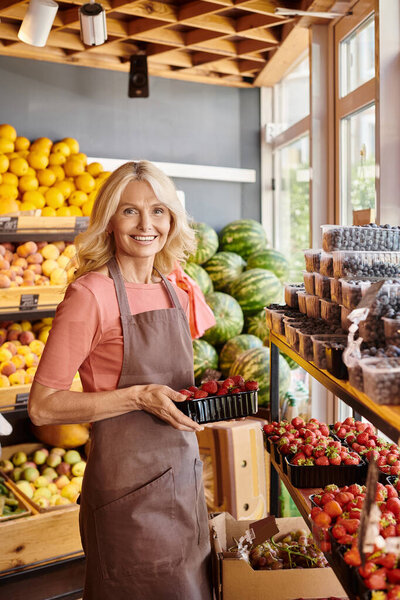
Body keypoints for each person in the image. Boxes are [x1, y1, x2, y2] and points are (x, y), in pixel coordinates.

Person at [28, 161, 214, 600]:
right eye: (129, 211)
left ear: (172, 218)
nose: (146, 224)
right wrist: (137, 397)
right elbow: (43, 405)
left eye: (158, 211)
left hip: (184, 480)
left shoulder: (177, 287)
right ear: (109, 219)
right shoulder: (89, 294)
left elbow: (179, 380)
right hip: (126, 494)